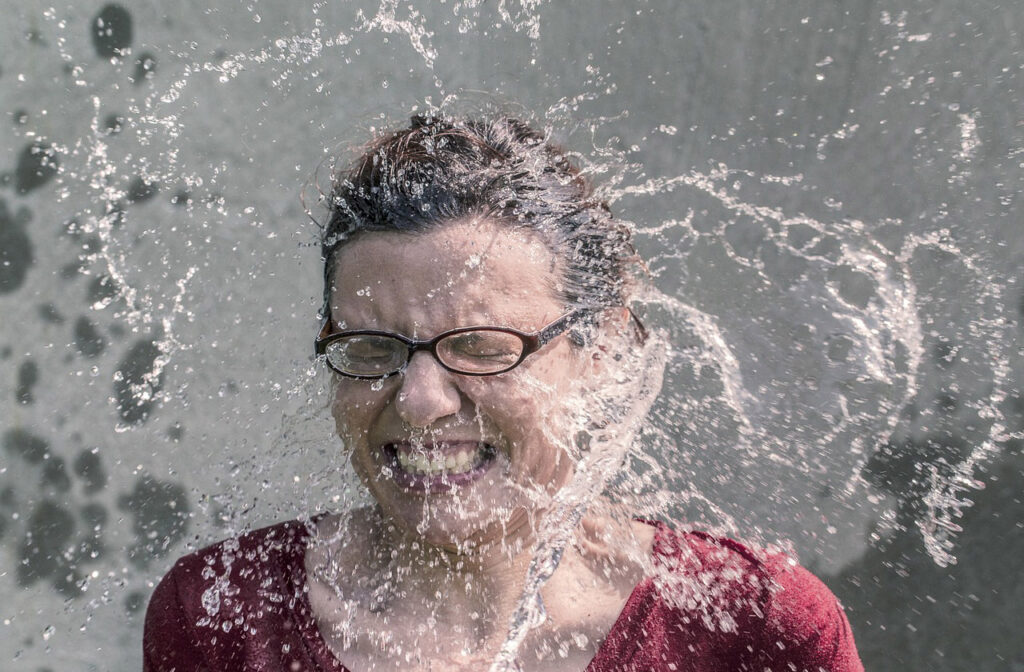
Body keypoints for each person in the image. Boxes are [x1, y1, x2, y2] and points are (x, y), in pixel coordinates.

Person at [143, 114, 863, 671]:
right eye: (371, 350)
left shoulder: (755, 626)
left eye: (483, 347)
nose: (420, 401)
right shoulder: (221, 614)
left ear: (603, 349)